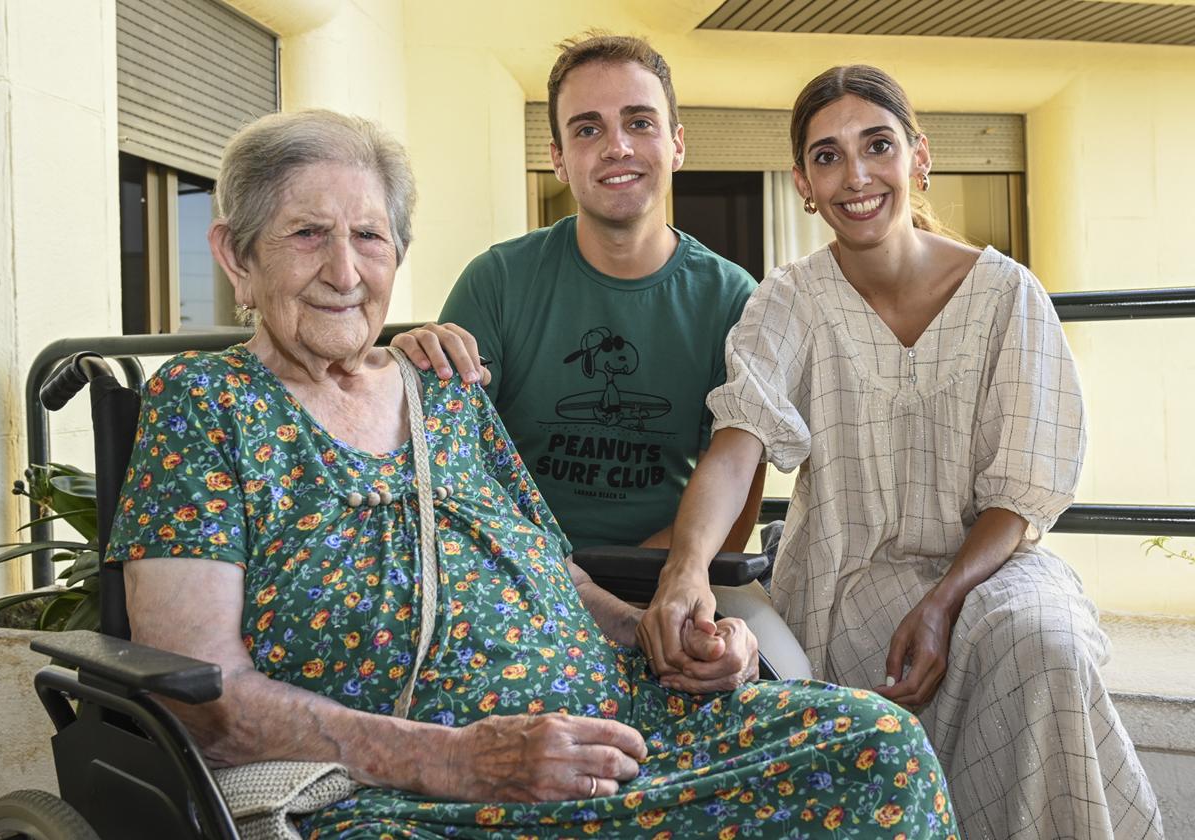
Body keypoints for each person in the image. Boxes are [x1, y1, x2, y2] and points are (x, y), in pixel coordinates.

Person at [108, 109, 958, 839]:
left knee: (877, 747)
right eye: (307, 234)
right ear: (234, 256)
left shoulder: (442, 391)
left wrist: (663, 635)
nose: (345, 270)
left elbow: (553, 573)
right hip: (416, 793)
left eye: (370, 236)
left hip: (630, 735)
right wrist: (460, 759)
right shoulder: (203, 406)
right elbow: (201, 693)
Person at [637, 65, 1164, 839]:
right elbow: (737, 442)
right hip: (847, 581)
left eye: (877, 145)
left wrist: (946, 598)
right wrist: (684, 570)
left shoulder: (1009, 296)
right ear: (802, 184)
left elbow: (1020, 493)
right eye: (827, 156)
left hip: (991, 570)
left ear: (919, 156)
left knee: (1046, 643)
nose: (856, 176)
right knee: (888, 659)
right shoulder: (788, 301)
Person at [394, 33, 765, 555]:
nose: (618, 147)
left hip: (666, 571)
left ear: (677, 143)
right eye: (588, 129)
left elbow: (738, 488)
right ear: (560, 159)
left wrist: (640, 587)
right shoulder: (497, 281)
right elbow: (449, 470)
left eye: (640, 122)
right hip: (512, 570)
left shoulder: (732, 299)